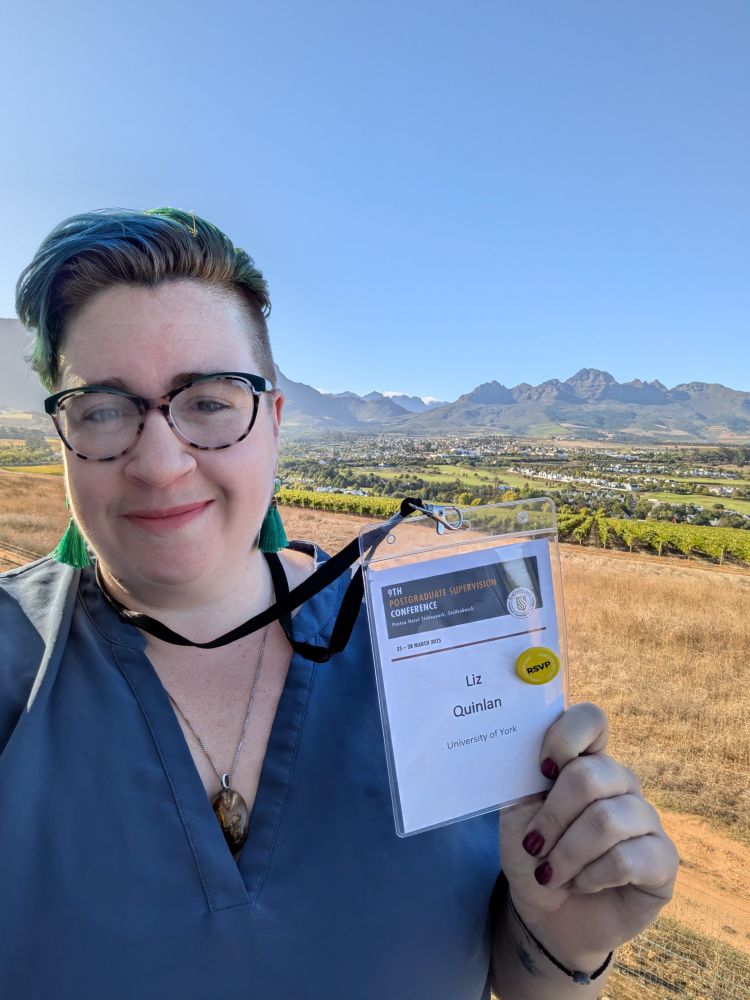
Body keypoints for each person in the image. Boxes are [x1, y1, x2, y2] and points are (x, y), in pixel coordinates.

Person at [0, 207, 678, 999]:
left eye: (210, 401)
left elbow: (514, 976)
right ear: (65, 436)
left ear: (274, 423)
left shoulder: (442, 663)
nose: (159, 462)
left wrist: (561, 942)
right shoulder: (16, 666)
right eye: (105, 408)